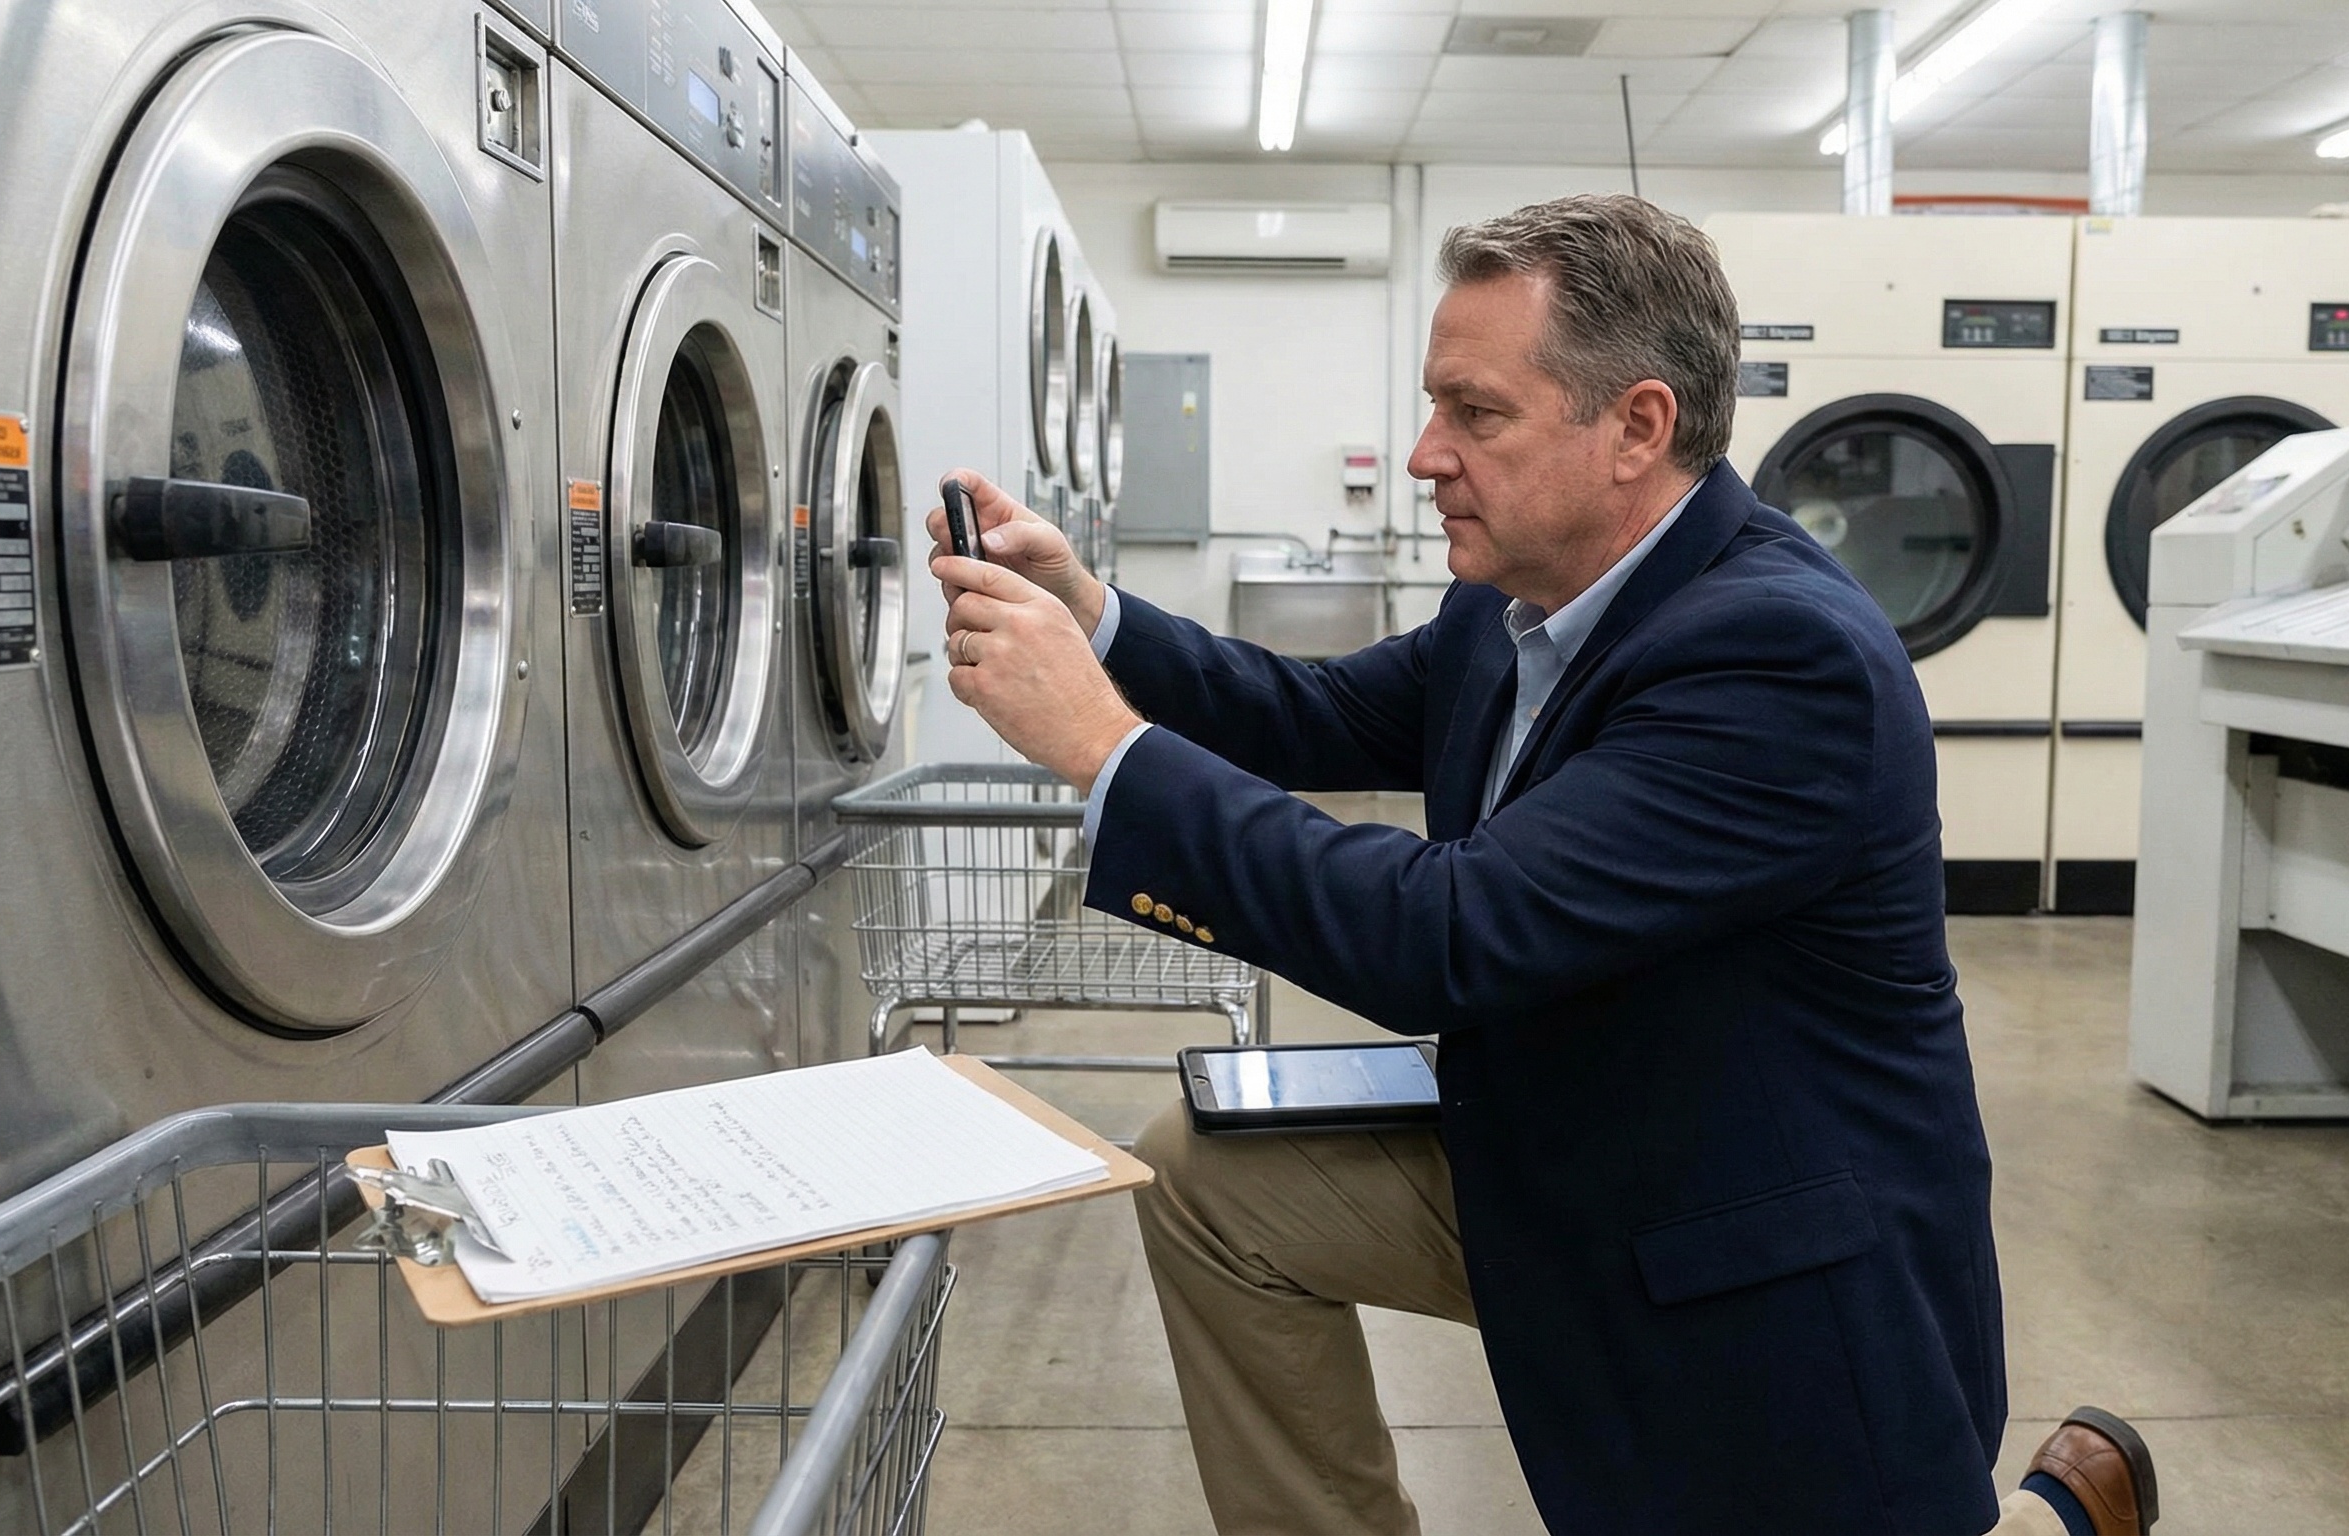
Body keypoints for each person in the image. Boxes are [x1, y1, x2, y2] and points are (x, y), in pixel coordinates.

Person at [925, 194, 2158, 1536]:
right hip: (1565, 1137)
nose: (1422, 455)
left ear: (1637, 427)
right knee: (1214, 1179)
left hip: (1752, 1253)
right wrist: (1092, 618)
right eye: (1432, 405)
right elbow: (1322, 716)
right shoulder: (1517, 602)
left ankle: (2063, 1512)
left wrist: (1103, 747)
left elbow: (1444, 935)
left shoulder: (1780, 660)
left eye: (1476, 414)